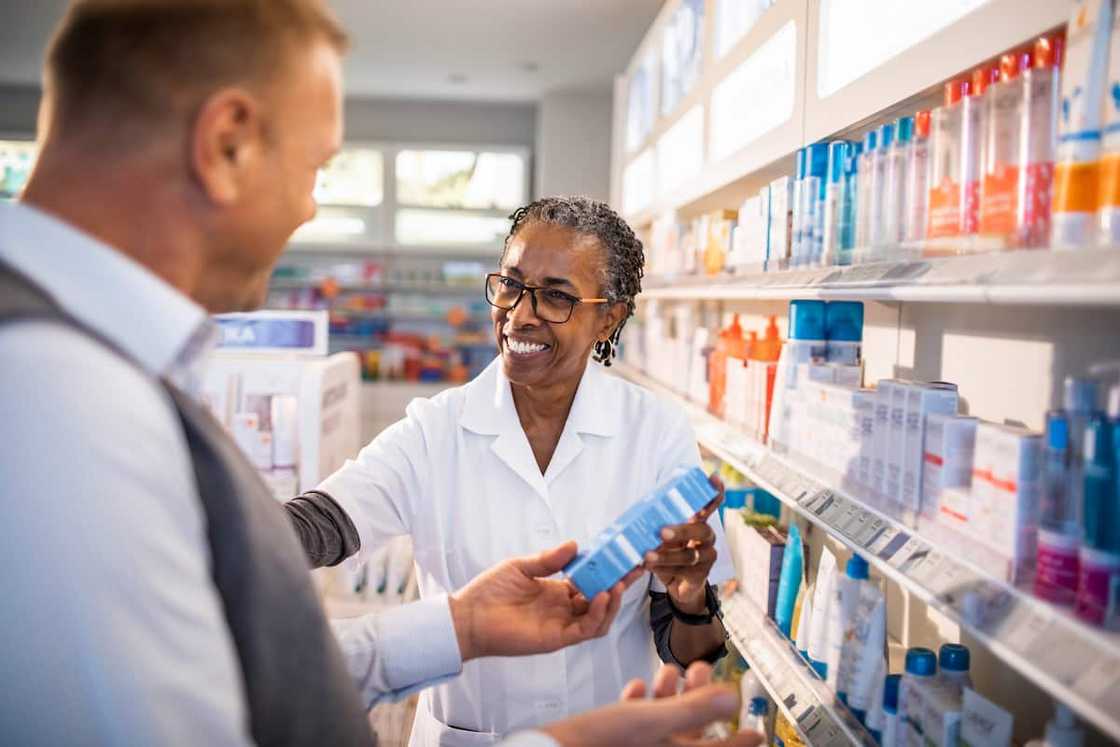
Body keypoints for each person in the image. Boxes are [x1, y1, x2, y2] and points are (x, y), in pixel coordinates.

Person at [0, 2, 755, 746]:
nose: (308, 207)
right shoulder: (58, 399)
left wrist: (460, 626)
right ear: (226, 144)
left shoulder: (94, 370)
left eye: (558, 297)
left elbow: (218, 678)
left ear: (609, 317)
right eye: (315, 166)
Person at [285, 196, 736, 745]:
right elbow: (320, 524)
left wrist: (688, 595)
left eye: (556, 297)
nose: (521, 314)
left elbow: (693, 651)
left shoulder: (654, 431)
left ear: (608, 317)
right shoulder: (436, 430)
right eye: (511, 285)